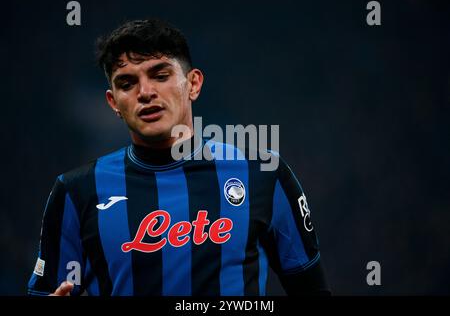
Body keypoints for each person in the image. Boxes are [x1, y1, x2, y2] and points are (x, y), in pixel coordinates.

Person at [27, 18, 330, 296]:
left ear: (193, 84)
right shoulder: (76, 192)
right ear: (113, 102)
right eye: (127, 83)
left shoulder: (263, 173)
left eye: (160, 75)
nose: (145, 92)